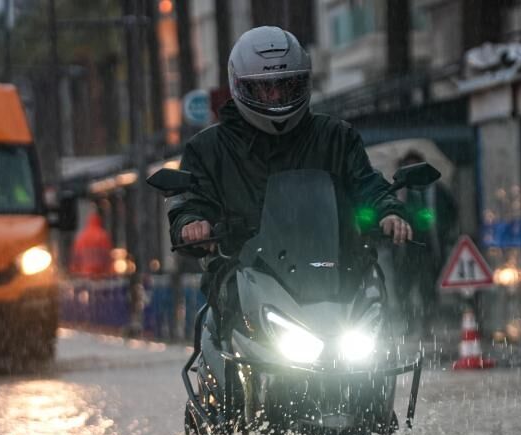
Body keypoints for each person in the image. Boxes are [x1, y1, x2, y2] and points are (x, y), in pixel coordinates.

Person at [167, 26, 413, 335]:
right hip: (245, 278)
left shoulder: (335, 136)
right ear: (240, 87)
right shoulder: (208, 148)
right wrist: (192, 223)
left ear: (303, 83)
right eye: (264, 88)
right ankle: (224, 363)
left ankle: (386, 364)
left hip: (336, 275)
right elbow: (191, 199)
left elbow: (366, 183)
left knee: (376, 338)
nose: (276, 96)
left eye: (286, 85)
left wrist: (388, 211)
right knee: (221, 335)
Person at [391, 150, 459, 336]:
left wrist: (440, 227)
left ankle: (426, 326)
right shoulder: (396, 192)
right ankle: (408, 325)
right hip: (404, 251)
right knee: (402, 290)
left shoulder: (436, 191)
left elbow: (450, 213)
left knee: (427, 291)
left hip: (429, 250)